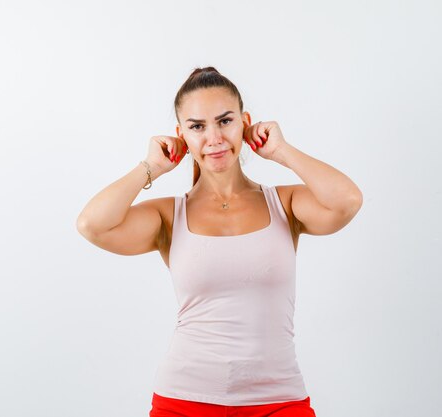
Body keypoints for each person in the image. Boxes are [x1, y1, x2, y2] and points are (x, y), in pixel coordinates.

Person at [76, 67, 363, 417]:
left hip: (278, 400)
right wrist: (150, 167)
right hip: (183, 400)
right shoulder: (170, 216)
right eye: (197, 127)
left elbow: (347, 201)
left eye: (225, 121)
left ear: (245, 122)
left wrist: (282, 152)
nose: (213, 138)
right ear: (182, 135)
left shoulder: (285, 205)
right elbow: (92, 225)